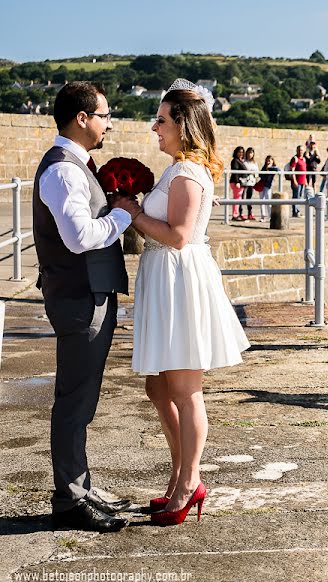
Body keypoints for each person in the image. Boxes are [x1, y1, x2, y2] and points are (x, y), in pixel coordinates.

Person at [128, 80, 250, 526]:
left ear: (183, 124)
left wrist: (133, 213)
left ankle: (188, 482)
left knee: (184, 389)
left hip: (180, 280)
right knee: (158, 387)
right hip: (167, 280)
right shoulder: (178, 169)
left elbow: (179, 236)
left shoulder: (188, 173)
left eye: (161, 120)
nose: (154, 127)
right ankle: (180, 475)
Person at [34, 81, 133, 532]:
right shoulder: (64, 171)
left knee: (83, 398)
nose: (108, 123)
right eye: (104, 114)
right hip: (78, 298)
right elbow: (78, 239)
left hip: (87, 295)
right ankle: (69, 500)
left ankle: (80, 485)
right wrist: (122, 216)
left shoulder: (74, 166)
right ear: (82, 118)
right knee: (74, 401)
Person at [288, 145, 307, 217]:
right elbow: (292, 170)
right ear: (297, 150)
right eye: (299, 150)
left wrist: (305, 182)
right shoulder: (295, 159)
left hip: (302, 181)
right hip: (297, 181)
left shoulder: (304, 159)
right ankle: (295, 211)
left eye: (302, 150)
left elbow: (304, 171)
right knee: (296, 196)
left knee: (300, 196)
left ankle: (297, 210)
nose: (300, 152)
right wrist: (294, 181)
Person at [257, 154, 278, 221]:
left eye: (269, 161)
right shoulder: (264, 167)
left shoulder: (273, 168)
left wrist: (269, 168)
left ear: (272, 161)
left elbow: (278, 170)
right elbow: (260, 175)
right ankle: (263, 216)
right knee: (261, 201)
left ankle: (270, 216)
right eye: (267, 161)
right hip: (262, 185)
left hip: (268, 186)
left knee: (268, 201)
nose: (268, 162)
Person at [241, 146, 260, 221]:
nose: (250, 154)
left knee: (249, 198)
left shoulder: (254, 162)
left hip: (251, 182)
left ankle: (250, 213)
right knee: (242, 198)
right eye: (248, 153)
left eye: (251, 153)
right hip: (244, 181)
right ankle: (241, 212)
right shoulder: (243, 161)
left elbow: (257, 172)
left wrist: (256, 177)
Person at [228, 146, 246, 221]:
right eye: (239, 152)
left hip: (240, 182)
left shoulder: (240, 160)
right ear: (236, 152)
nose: (241, 153)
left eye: (242, 152)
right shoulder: (235, 160)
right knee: (237, 199)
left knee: (238, 199)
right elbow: (235, 172)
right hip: (236, 182)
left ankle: (237, 214)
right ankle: (235, 215)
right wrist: (237, 182)